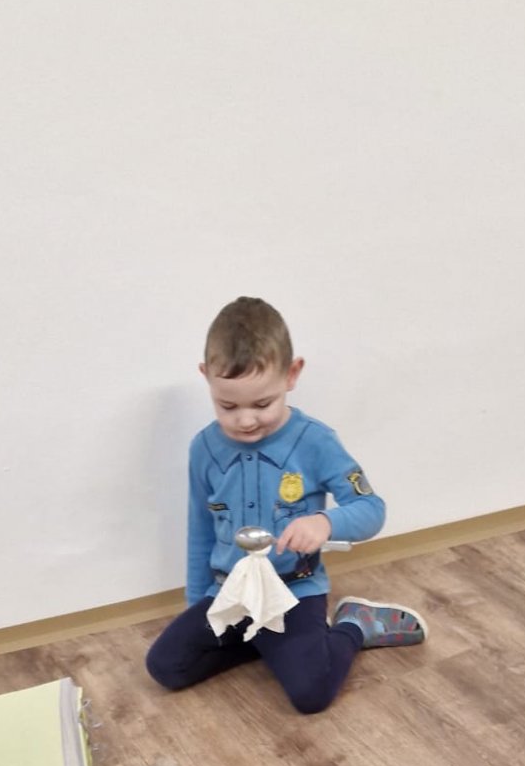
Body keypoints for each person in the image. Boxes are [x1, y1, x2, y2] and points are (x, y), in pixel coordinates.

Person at [146, 295, 427, 716]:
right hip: (230, 594)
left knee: (312, 694)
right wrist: (196, 608)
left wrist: (326, 522)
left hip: (293, 592)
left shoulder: (316, 441)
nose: (245, 420)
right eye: (227, 406)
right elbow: (200, 530)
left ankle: (354, 626)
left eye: (262, 404)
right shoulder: (203, 448)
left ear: (291, 374)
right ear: (206, 378)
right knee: (166, 666)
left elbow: (372, 508)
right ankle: (268, 646)